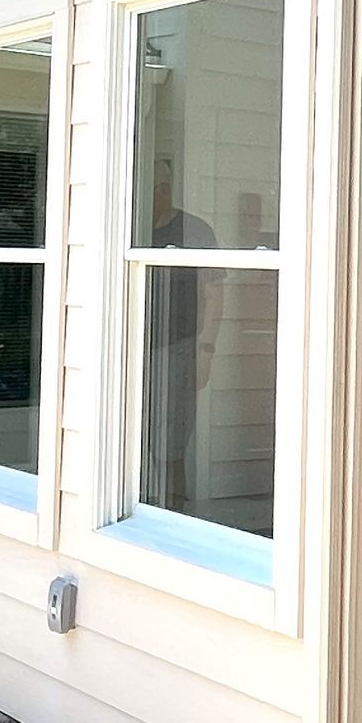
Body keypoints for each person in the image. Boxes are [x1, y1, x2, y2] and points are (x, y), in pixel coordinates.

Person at [142, 158, 215, 516]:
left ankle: (174, 517)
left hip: (178, 347)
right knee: (138, 438)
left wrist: (205, 349)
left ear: (164, 190)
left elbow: (213, 293)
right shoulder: (135, 227)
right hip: (132, 347)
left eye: (150, 191)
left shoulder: (194, 230)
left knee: (170, 444)